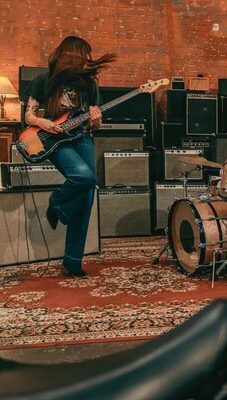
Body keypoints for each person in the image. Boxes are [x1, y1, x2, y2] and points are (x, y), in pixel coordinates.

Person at [25, 36, 115, 277]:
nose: (88, 60)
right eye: (84, 55)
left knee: (86, 196)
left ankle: (73, 259)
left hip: (82, 137)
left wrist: (96, 120)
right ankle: (56, 203)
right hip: (54, 139)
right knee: (84, 177)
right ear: (73, 55)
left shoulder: (89, 84)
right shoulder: (43, 80)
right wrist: (43, 122)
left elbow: (96, 123)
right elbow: (28, 116)